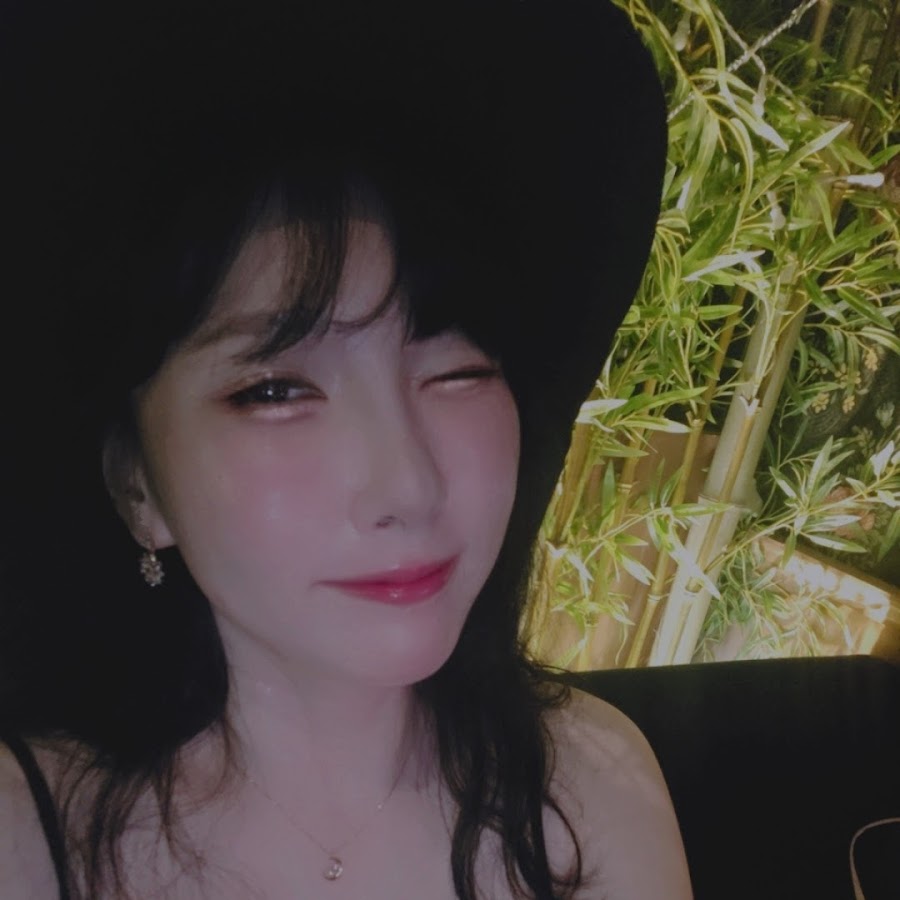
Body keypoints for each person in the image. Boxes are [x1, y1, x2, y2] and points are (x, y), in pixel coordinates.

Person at [0, 1, 693, 897]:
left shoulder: (591, 793)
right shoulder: (25, 835)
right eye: (275, 391)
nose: (407, 484)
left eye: (458, 368)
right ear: (139, 487)